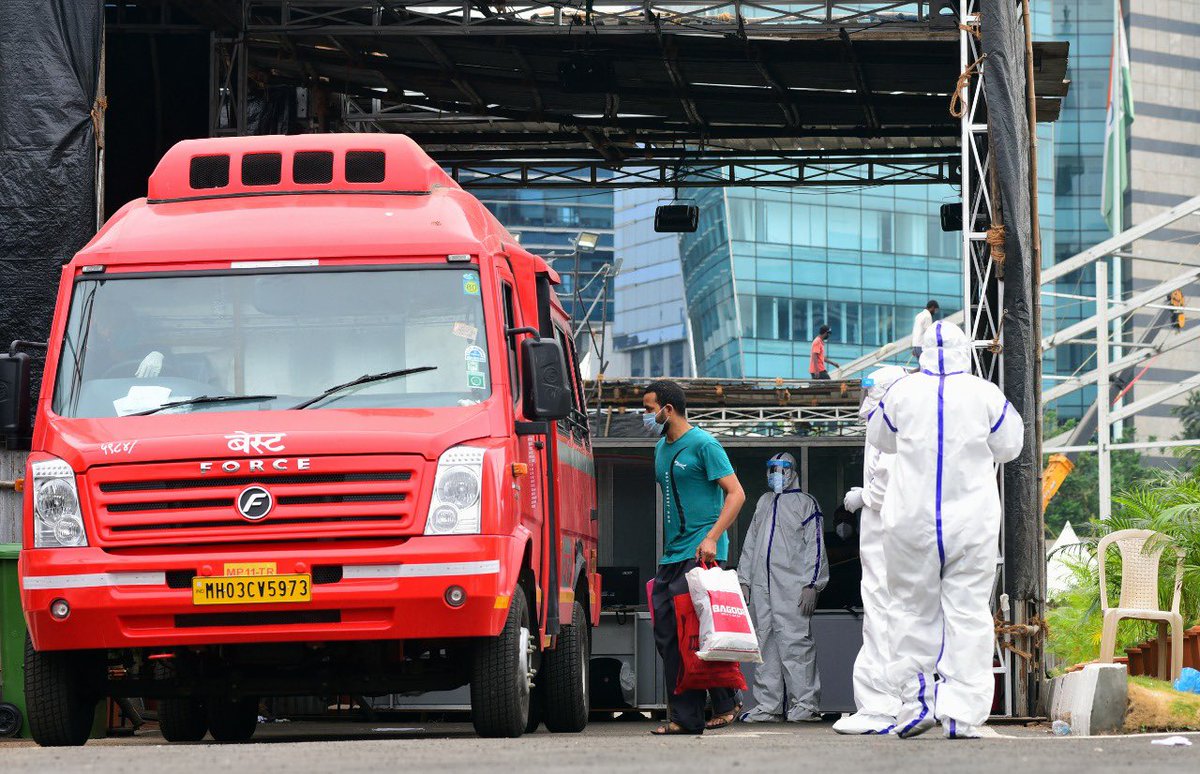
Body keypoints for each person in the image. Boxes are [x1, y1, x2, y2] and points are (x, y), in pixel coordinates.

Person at [866, 321, 1024, 739]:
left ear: (921, 353)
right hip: (971, 522)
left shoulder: (901, 391)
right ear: (963, 351)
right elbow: (1011, 446)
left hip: (910, 522)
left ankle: (916, 703)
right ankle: (960, 715)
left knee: (909, 610)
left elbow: (880, 437)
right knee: (968, 615)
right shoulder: (985, 393)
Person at [643, 380, 748, 735]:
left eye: (648, 408)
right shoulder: (660, 448)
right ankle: (689, 715)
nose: (646, 415)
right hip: (671, 554)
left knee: (698, 631)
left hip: (699, 551)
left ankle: (723, 701)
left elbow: (736, 494)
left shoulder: (705, 444)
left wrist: (712, 537)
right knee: (668, 633)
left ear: (667, 410)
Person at [833, 365, 908, 735]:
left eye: (870, 392)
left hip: (886, 542)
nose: (864, 401)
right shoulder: (885, 425)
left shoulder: (890, 427)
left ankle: (881, 707)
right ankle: (886, 704)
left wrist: (862, 497)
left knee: (883, 623)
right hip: (884, 543)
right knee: (884, 621)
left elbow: (886, 486)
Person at [737, 452, 828, 723]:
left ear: (792, 471)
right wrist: (744, 579)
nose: (774, 474)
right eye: (771, 469)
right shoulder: (764, 503)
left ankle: (806, 704)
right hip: (761, 587)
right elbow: (751, 542)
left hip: (792, 586)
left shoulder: (805, 503)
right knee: (764, 643)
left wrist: (813, 583)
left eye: (780, 469)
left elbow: (816, 545)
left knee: (796, 643)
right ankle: (769, 705)